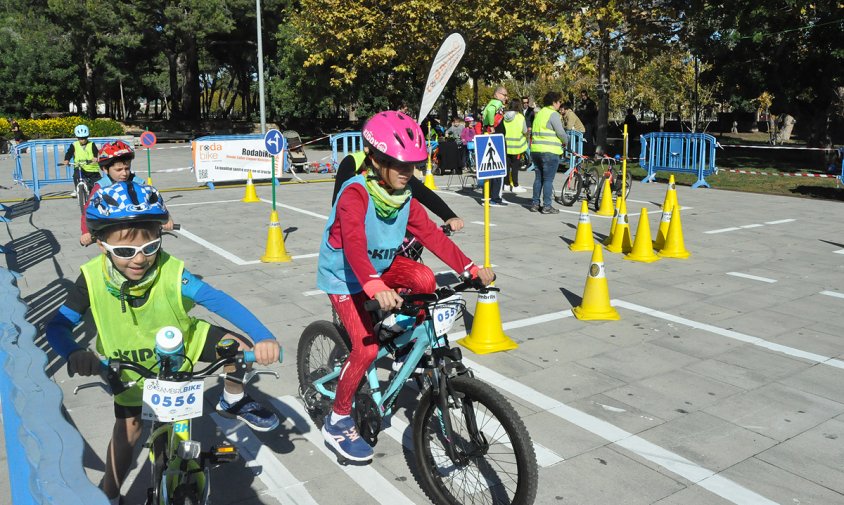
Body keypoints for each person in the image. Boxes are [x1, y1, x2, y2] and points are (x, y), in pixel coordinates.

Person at [46, 181, 281, 504]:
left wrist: (263, 336)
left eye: (151, 247)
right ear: (101, 244)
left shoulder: (172, 271)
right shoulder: (90, 279)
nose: (140, 260)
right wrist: (73, 352)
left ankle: (232, 398)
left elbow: (219, 301)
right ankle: (110, 494)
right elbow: (57, 326)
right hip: (128, 365)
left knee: (236, 345)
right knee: (127, 433)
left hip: (184, 346)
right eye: (126, 252)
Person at [317, 111, 495, 462]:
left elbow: (429, 234)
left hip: (380, 267)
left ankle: (397, 336)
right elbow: (353, 243)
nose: (407, 173)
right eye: (399, 165)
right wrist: (372, 285)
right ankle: (337, 422)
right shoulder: (356, 193)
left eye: (412, 165)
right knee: (366, 351)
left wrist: (470, 267)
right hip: (344, 274)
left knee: (424, 280)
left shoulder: (403, 195)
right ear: (375, 159)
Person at [79, 140, 174, 246]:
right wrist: (86, 232)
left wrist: (167, 219)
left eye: (127, 168)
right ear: (105, 169)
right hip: (113, 233)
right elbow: (88, 210)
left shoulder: (137, 182)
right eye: (118, 170)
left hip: (140, 232)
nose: (124, 173)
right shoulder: (101, 187)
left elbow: (154, 201)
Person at [530, 91, 568, 214]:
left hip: (536, 150)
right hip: (549, 151)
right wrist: (566, 141)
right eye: (559, 102)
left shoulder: (540, 113)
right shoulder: (553, 114)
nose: (560, 104)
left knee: (538, 179)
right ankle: (547, 206)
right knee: (548, 180)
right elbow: (561, 133)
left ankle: (535, 204)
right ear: (554, 102)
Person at [482, 87, 509, 205]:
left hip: (492, 137)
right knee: (499, 169)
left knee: (490, 168)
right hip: (497, 138)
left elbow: (485, 113)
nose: (506, 97)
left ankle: (488, 196)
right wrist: (492, 125)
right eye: (504, 95)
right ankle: (496, 198)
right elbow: (490, 112)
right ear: (497, 94)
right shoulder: (496, 103)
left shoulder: (490, 103)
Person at [64, 124, 101, 198]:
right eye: (81, 138)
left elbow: (96, 152)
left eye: (84, 138)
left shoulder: (91, 144)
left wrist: (95, 157)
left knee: (97, 183)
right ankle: (76, 189)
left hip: (92, 167)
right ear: (77, 138)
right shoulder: (74, 145)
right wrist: (66, 160)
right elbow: (69, 153)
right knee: (76, 176)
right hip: (80, 166)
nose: (83, 140)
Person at [502, 98, 528, 194]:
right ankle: (515, 185)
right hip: (517, 146)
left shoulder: (504, 117)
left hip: (506, 145)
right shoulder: (520, 117)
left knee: (507, 166)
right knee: (515, 167)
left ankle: (506, 184)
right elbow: (524, 130)